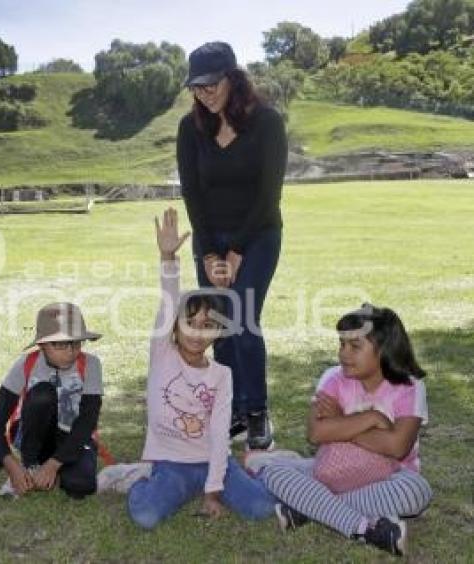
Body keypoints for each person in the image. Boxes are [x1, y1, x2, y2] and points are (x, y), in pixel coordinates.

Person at [124, 208, 276, 529]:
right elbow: (168, 300)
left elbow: (221, 433)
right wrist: (167, 257)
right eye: (188, 323)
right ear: (174, 328)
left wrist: (213, 489)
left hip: (213, 461)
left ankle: (262, 466)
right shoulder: (162, 353)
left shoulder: (222, 375)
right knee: (146, 516)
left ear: (218, 332)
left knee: (262, 507)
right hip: (172, 465)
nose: (196, 332)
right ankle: (138, 477)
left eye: (207, 325)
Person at [177, 41, 288, 450]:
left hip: (257, 235)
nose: (204, 93)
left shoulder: (267, 122)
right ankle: (232, 410)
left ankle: (257, 411)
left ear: (232, 78)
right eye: (196, 86)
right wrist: (208, 253)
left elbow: (268, 194)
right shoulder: (191, 128)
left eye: (211, 84)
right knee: (219, 327)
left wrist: (236, 250)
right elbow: (192, 193)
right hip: (211, 238)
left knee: (243, 321)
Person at [257, 304, 432, 557]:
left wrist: (341, 422)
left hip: (388, 479)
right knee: (274, 473)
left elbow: (397, 447)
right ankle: (364, 528)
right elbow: (316, 433)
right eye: (342, 344)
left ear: (384, 350)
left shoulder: (410, 386)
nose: (343, 354)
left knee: (416, 493)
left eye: (355, 347)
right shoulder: (332, 377)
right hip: (333, 472)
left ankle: (310, 507)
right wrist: (371, 418)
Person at [0, 302, 103, 499]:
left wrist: (54, 464)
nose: (71, 351)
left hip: (74, 437)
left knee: (81, 486)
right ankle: (30, 465)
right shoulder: (26, 364)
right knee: (42, 393)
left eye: (77, 342)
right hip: (35, 435)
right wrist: (12, 466)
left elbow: (87, 421)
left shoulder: (91, 364)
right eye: (60, 344)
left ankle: (49, 471)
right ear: (41, 344)